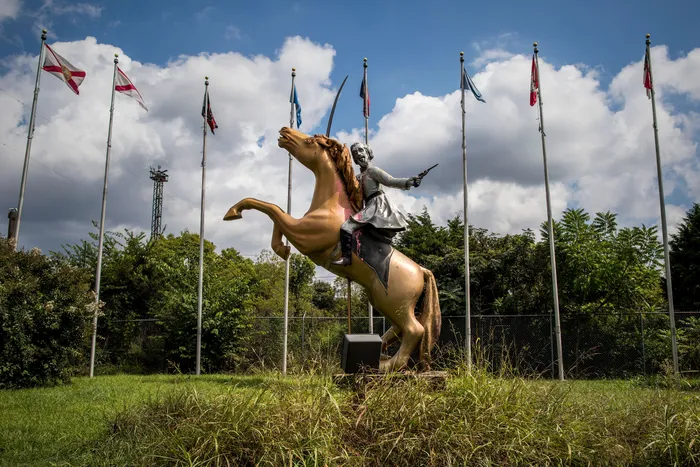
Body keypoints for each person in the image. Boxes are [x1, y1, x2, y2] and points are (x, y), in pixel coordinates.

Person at [332, 142, 422, 267]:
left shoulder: (373, 171)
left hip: (376, 206)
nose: (358, 154)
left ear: (368, 153)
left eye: (360, 150)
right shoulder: (358, 177)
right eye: (355, 153)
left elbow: (390, 181)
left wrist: (408, 181)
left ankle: (346, 258)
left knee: (347, 227)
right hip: (368, 206)